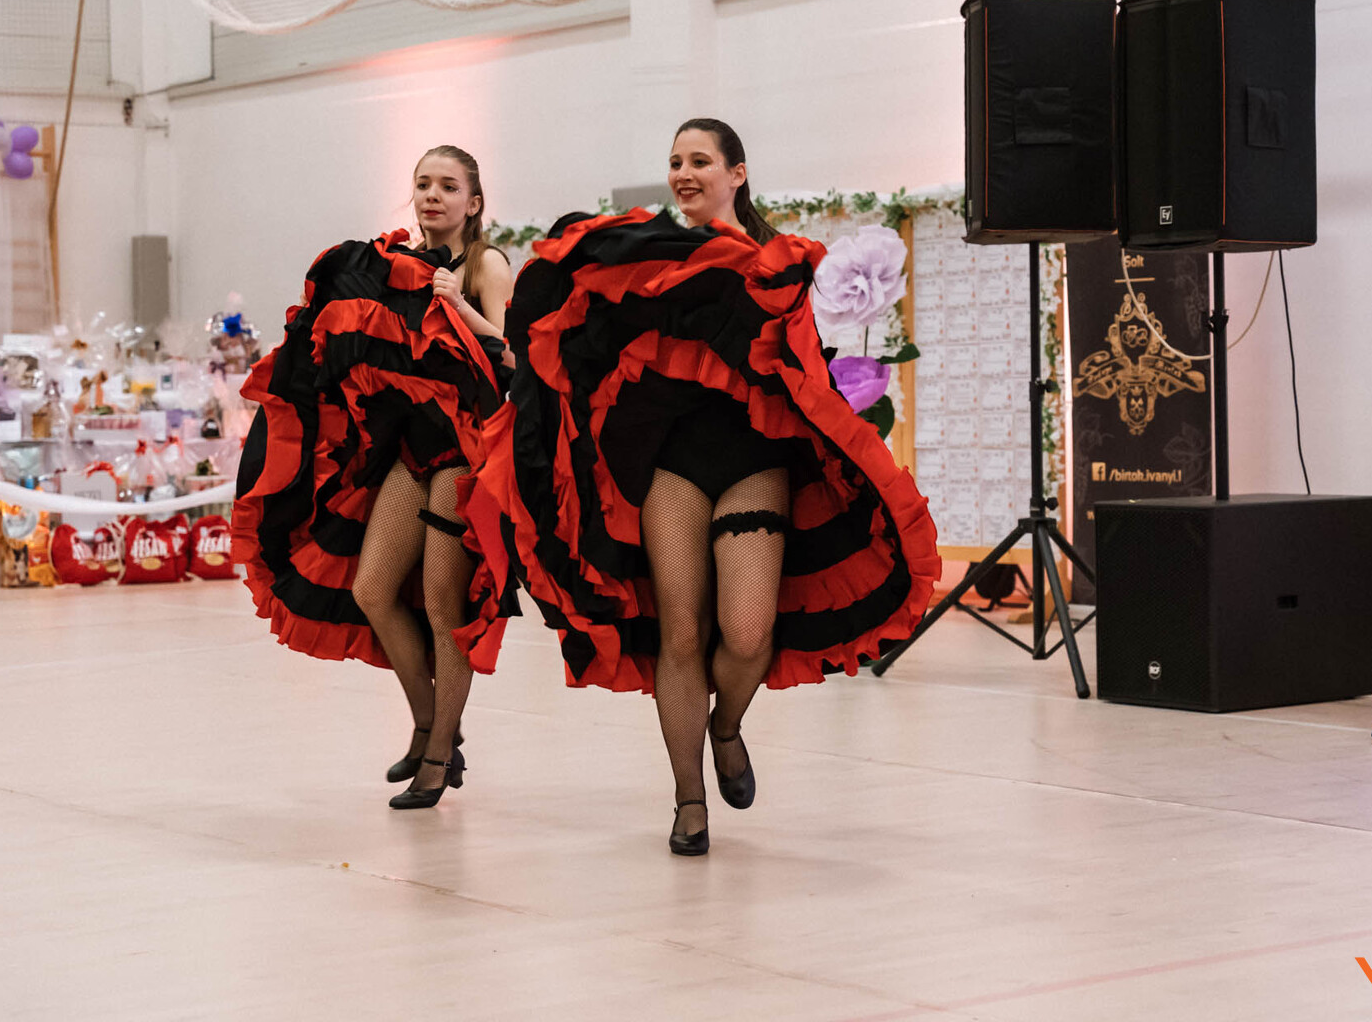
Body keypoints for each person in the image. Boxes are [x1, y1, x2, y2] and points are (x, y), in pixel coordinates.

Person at [469, 119, 940, 854]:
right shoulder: (650, 259)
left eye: (700, 161)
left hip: (754, 461)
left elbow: (807, 378)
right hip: (670, 465)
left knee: (748, 634)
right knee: (680, 633)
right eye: (675, 162)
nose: (684, 174)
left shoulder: (780, 264)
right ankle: (689, 799)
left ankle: (727, 727)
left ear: (736, 173)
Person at [233, 145, 513, 809]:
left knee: (445, 606)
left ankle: (438, 756)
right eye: (423, 184)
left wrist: (460, 305)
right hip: (410, 452)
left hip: (466, 452)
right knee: (372, 588)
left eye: (448, 186)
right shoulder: (394, 266)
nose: (433, 196)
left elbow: (510, 359)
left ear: (474, 202)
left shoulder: (486, 264)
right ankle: (431, 724)